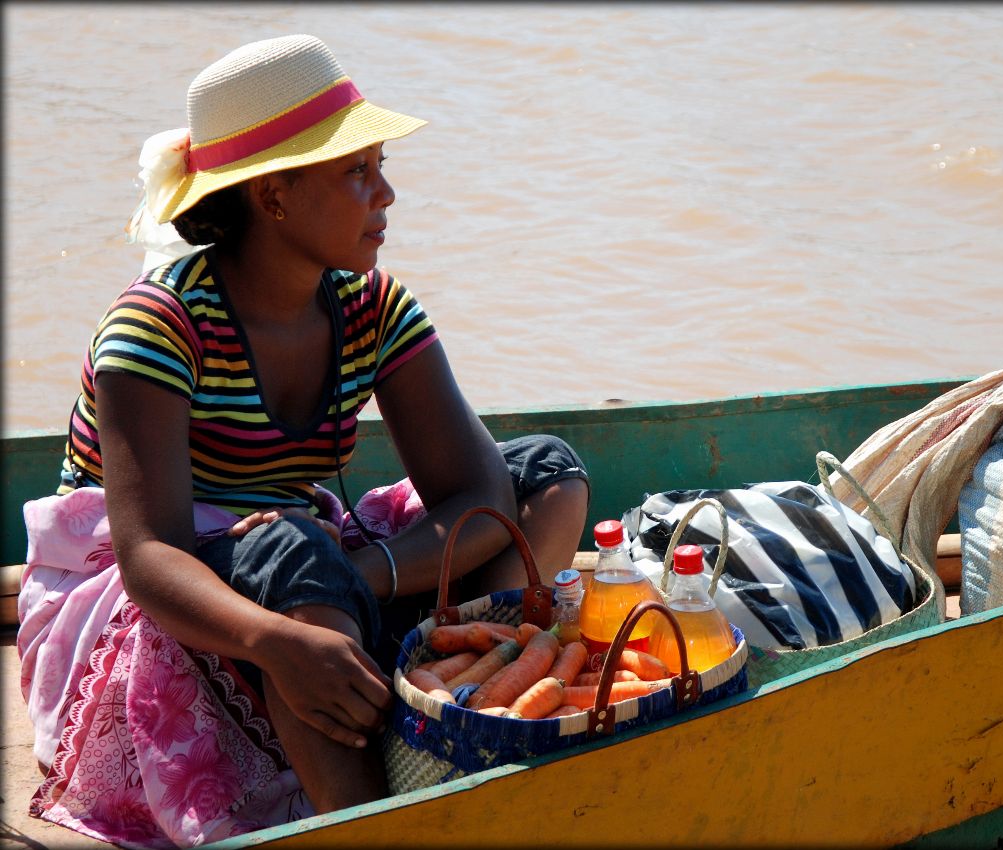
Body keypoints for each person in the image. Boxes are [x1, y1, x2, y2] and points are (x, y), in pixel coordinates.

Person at [17, 34, 589, 846]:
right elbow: (150, 558)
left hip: (308, 564)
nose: (385, 195)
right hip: (149, 595)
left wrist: (359, 571)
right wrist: (274, 638)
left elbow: (484, 493)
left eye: (380, 166)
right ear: (274, 195)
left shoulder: (374, 307)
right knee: (294, 554)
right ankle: (363, 820)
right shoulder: (157, 325)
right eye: (356, 172)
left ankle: (451, 690)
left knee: (548, 476)